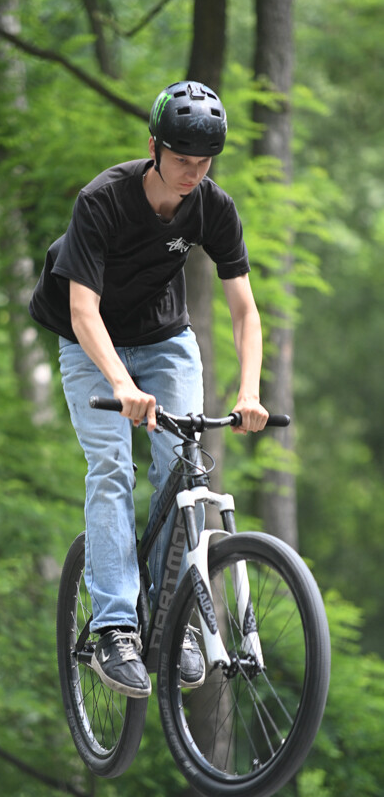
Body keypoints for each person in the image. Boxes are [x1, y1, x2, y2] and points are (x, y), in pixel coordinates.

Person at [29, 81, 269, 699]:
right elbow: (83, 312)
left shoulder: (212, 207)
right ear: (154, 147)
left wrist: (249, 392)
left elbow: (245, 310)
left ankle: (175, 620)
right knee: (112, 467)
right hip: (90, 340)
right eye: (182, 159)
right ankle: (114, 628)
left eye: (205, 161)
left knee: (183, 470)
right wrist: (121, 383)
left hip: (164, 339)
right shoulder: (102, 200)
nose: (194, 173)